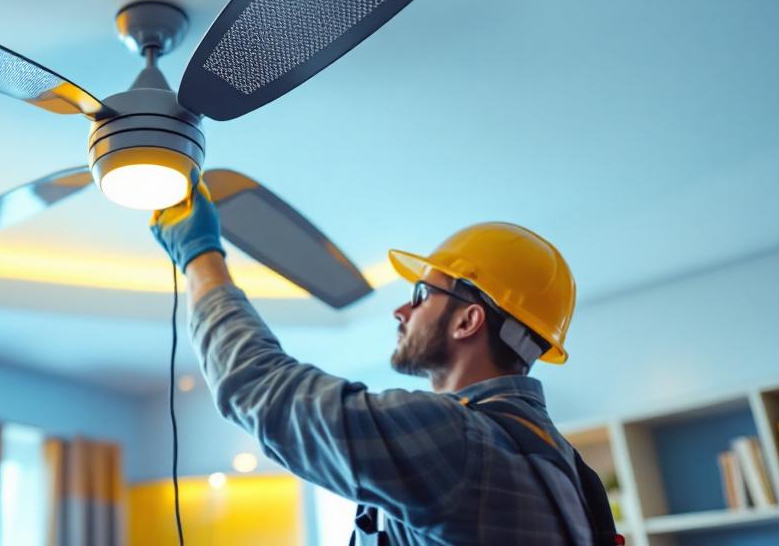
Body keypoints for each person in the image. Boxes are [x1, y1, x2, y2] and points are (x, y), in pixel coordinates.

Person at [150, 179, 619, 545]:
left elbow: (260, 388)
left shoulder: (459, 441)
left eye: (422, 294)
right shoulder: (562, 466)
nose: (401, 311)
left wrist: (199, 256)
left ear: (468, 320)